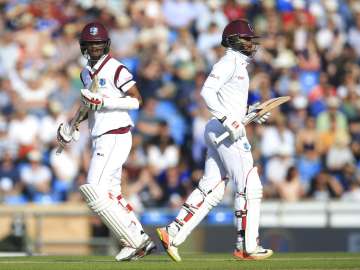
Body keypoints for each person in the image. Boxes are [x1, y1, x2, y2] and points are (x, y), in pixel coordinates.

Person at [156, 19, 273, 261]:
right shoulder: (229, 61)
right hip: (225, 132)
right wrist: (228, 120)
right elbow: (207, 91)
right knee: (250, 184)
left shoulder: (239, 65)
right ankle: (247, 245)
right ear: (234, 40)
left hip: (220, 130)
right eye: (248, 40)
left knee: (212, 189)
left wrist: (251, 113)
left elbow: (229, 104)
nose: (252, 44)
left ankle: (173, 232)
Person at [56, 22, 155, 261]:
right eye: (90, 44)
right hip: (100, 136)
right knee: (112, 193)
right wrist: (72, 126)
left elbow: (136, 101)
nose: (95, 47)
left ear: (106, 44)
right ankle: (139, 237)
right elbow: (88, 104)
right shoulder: (85, 73)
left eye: (99, 43)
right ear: (83, 47)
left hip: (116, 134)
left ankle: (133, 241)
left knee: (94, 190)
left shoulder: (116, 68)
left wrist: (105, 102)